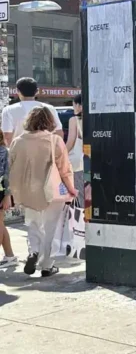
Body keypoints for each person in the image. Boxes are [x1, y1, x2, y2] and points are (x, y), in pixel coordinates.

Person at [10, 107, 77, 277]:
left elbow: (11, 166)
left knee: (32, 224)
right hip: (52, 190)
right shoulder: (54, 140)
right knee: (50, 227)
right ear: (50, 121)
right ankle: (47, 265)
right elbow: (65, 169)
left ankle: (34, 252)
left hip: (27, 191)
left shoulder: (18, 141)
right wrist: (71, 189)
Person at [2, 78, 59, 146]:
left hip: (20, 150)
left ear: (17, 91)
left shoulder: (8, 110)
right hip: (45, 151)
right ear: (37, 91)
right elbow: (58, 132)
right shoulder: (49, 108)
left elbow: (7, 136)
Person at [66, 96, 84, 208]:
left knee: (81, 193)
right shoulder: (97, 116)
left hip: (79, 162)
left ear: (78, 105)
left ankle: (83, 220)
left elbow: (71, 141)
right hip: (96, 160)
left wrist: (61, 155)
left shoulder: (74, 120)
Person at [0, 132, 14, 269]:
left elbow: (8, 175)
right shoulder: (5, 151)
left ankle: (10, 256)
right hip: (2, 192)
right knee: (0, 224)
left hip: (1, 192)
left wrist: (7, 196)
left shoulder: (4, 152)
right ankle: (9, 255)